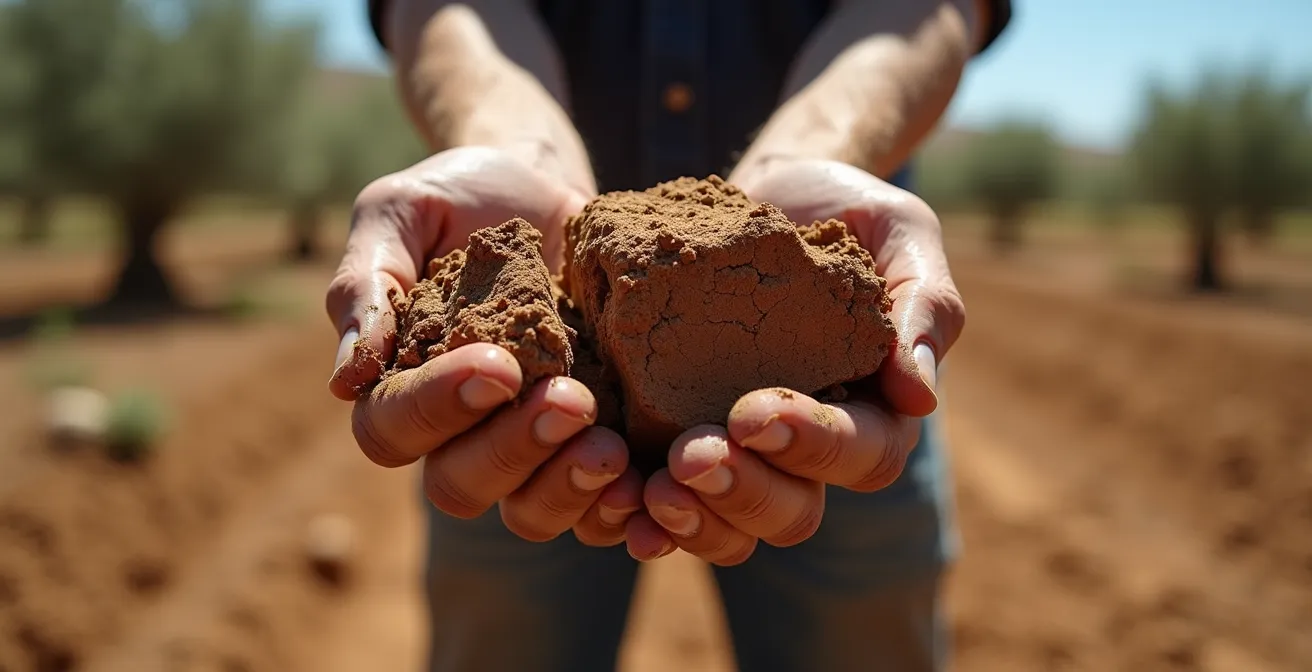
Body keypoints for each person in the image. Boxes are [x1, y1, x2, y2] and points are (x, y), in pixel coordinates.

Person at [325, 1, 1010, 670]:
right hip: (521, 400)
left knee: (861, 634)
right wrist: (513, 149)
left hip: (832, 388)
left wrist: (810, 159)